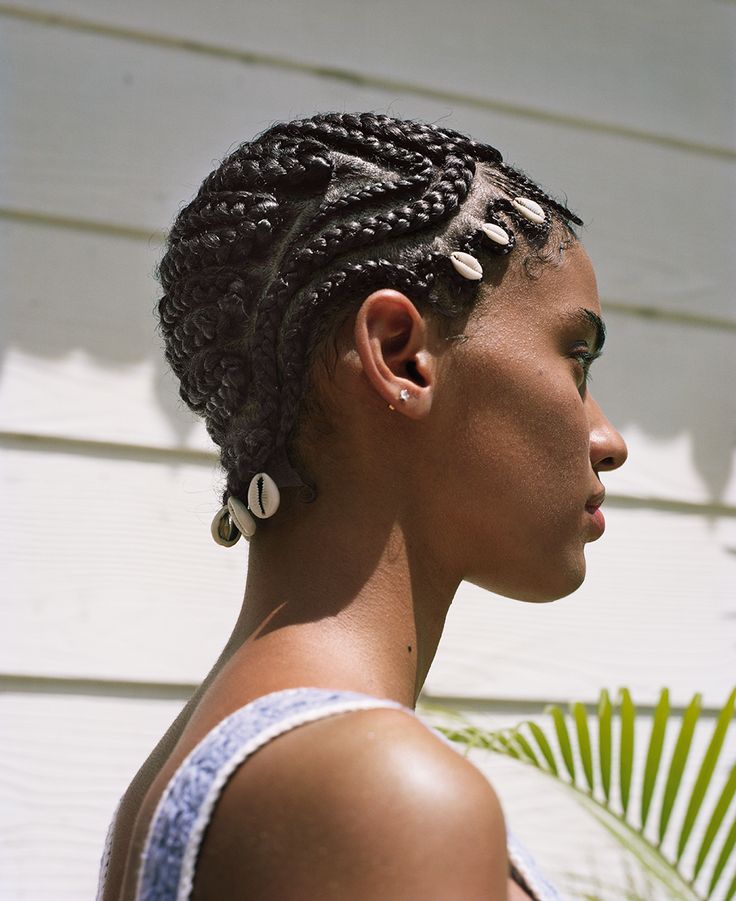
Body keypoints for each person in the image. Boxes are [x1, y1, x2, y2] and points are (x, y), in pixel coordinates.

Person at [96, 111, 627, 900]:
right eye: (575, 357)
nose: (608, 437)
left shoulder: (200, 764)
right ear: (399, 355)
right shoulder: (377, 790)